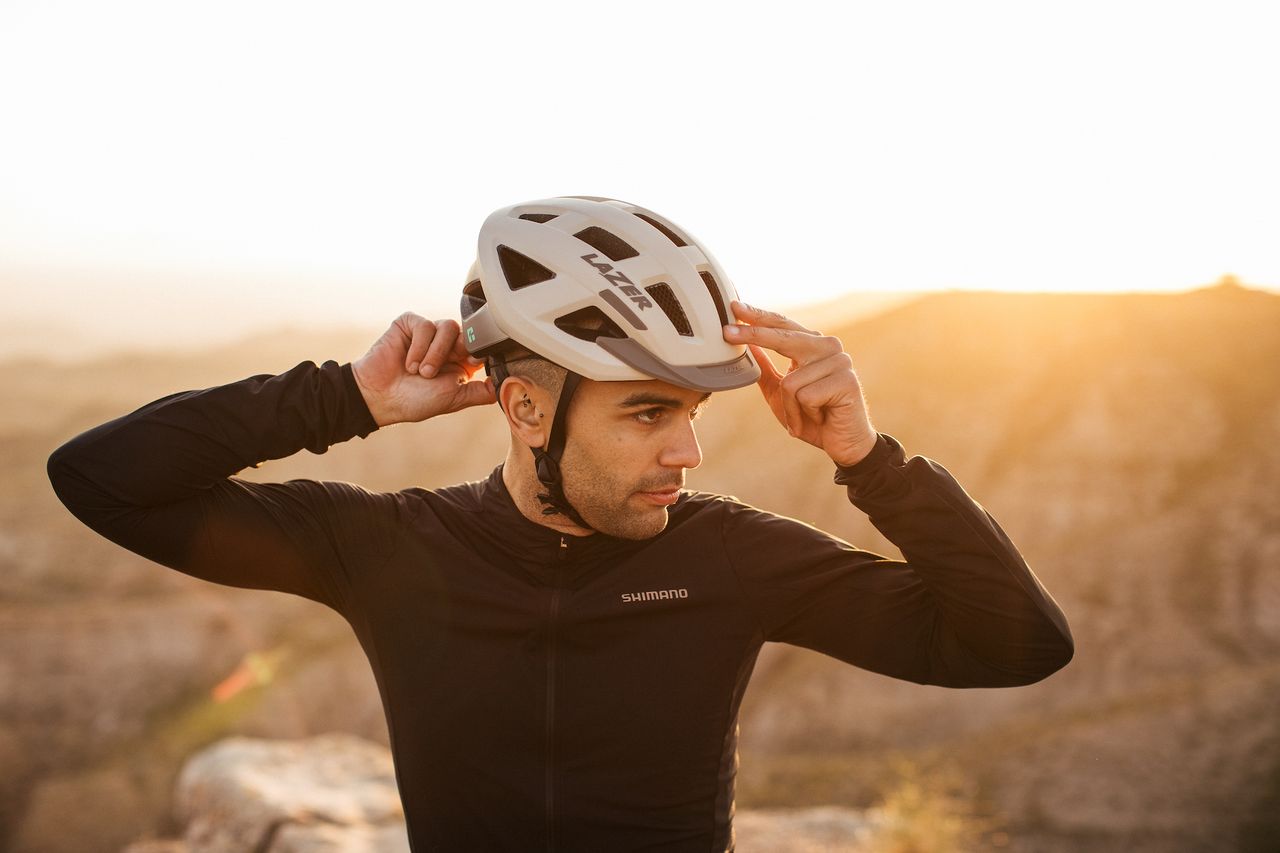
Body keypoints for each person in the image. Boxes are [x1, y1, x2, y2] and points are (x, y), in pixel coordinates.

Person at [47, 195, 1074, 852]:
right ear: (525, 408)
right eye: (644, 412)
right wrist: (340, 401)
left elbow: (1013, 644)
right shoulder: (391, 550)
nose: (687, 453)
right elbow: (103, 481)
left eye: (689, 413)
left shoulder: (730, 555)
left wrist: (867, 457)